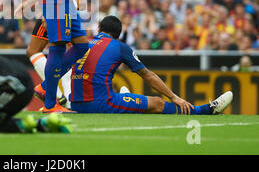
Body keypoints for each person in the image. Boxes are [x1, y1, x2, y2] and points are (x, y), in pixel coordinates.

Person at [70, 16, 233, 115]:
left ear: (99, 28)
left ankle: (126, 100)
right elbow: (147, 75)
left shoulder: (84, 43)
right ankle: (205, 110)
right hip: (101, 104)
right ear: (118, 35)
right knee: (157, 103)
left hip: (75, 104)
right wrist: (173, 97)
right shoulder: (119, 46)